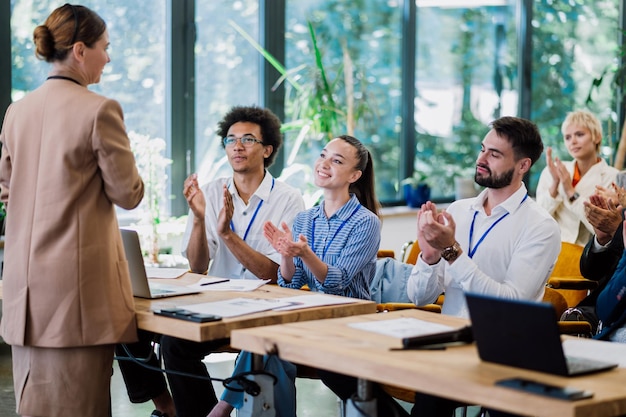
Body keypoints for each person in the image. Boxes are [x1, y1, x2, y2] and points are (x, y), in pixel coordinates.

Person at [0, 4, 144, 416]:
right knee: (81, 405)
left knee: (37, 405)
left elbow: (8, 190)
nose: (109, 57)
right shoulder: (99, 109)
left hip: (25, 293)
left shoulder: (17, 111)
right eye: (105, 46)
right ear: (80, 50)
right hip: (76, 296)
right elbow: (128, 193)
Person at [115, 105, 305, 417]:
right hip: (213, 301)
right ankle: (169, 408)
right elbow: (198, 266)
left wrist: (228, 234)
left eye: (247, 139)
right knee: (126, 324)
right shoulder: (213, 191)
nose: (237, 147)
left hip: (259, 307)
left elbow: (274, 276)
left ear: (267, 149)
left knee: (175, 345)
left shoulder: (287, 198)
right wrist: (200, 217)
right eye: (230, 140)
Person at [208, 134, 383, 417]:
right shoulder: (306, 218)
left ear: (355, 175)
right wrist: (287, 254)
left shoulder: (366, 222)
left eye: (336, 160)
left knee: (267, 339)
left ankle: (223, 406)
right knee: (266, 339)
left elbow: (338, 281)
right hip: (312, 317)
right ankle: (225, 408)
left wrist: (304, 253)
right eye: (323, 155)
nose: (324, 163)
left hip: (349, 320)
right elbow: (291, 280)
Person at [406, 116, 561, 417]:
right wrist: (428, 257)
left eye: (495, 154)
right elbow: (418, 297)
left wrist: (451, 252)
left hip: (506, 353)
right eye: (482, 149)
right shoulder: (458, 212)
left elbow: (510, 302)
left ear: (523, 166)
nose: (481, 159)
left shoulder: (541, 227)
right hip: (450, 348)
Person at [536, 110, 619, 246]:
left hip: (586, 256)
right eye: (567, 137)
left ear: (597, 137)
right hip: (550, 250)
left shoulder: (613, 177)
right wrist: (555, 185)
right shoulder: (553, 171)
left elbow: (602, 230)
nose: (573, 141)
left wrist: (571, 193)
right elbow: (538, 220)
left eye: (579, 134)